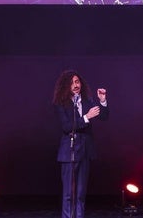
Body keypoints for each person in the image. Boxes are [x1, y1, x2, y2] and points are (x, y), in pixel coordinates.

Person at [53, 70, 109, 218]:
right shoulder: (60, 104)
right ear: (66, 86)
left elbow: (103, 116)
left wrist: (102, 101)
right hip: (68, 152)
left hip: (84, 151)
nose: (75, 85)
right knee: (68, 195)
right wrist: (86, 117)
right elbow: (66, 127)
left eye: (77, 82)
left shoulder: (87, 100)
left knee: (80, 194)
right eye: (72, 83)